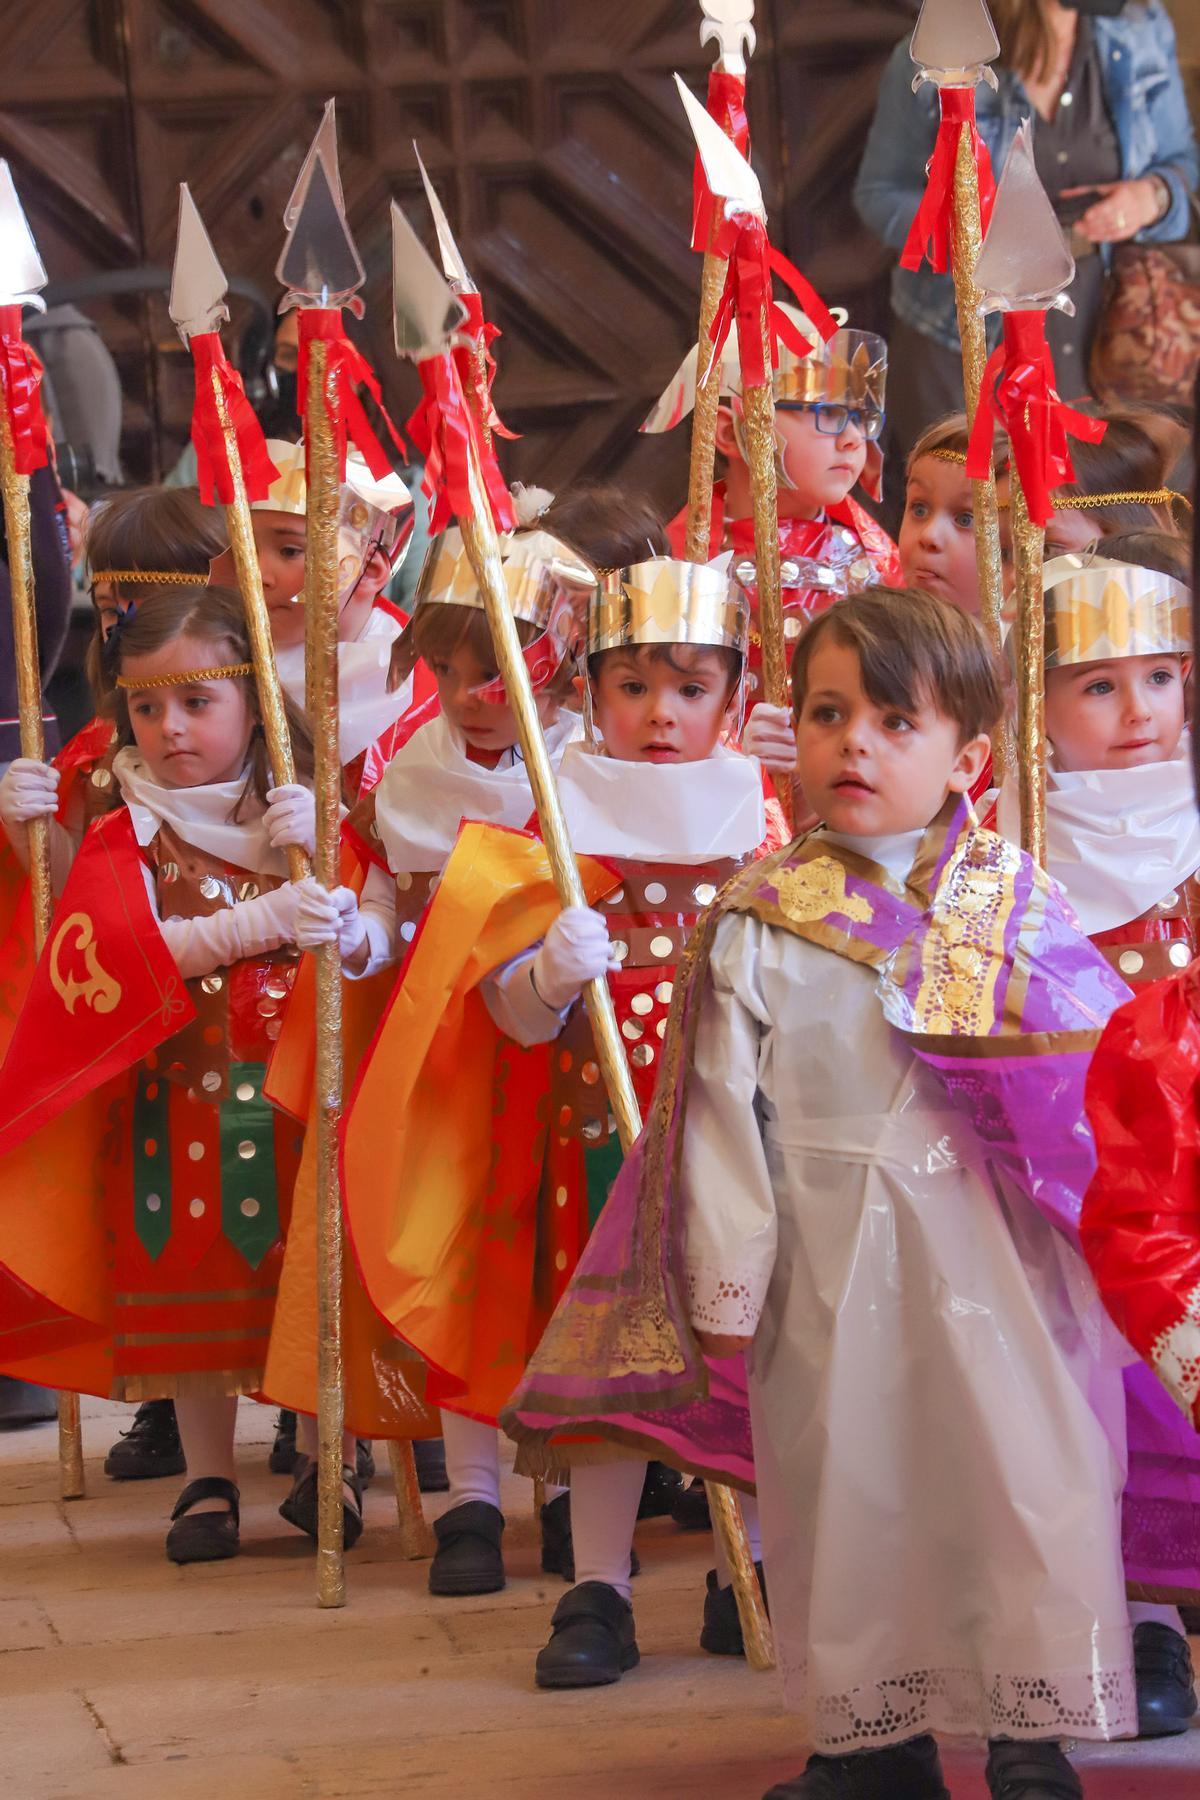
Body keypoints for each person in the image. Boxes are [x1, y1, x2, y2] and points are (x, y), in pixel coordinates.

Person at [506, 585, 1137, 1797]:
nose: (857, 745)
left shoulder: (1014, 906)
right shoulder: (758, 920)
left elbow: (1086, 1095)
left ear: (972, 755)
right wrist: (728, 1284)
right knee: (852, 1490)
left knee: (1025, 1474)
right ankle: (873, 1740)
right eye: (831, 712)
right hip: (827, 1259)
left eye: (898, 721)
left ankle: (1030, 1729)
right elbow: (718, 1122)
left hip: (998, 1256)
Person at [374, 551, 773, 1688]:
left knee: (739, 1366)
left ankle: (737, 1571)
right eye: (632, 686)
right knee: (611, 1371)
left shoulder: (768, 818)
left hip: (737, 1151)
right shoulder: (556, 817)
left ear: (733, 698)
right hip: (598, 1147)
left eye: (691, 688)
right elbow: (500, 1017)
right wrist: (545, 975)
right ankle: (598, 1587)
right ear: (590, 694)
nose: (660, 715)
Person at [0, 585, 322, 1562]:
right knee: (193, 1273)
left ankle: (322, 1457)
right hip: (175, 1092)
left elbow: (368, 922)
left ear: (253, 697)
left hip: (293, 1083)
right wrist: (31, 840)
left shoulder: (304, 801)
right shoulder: (115, 810)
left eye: (196, 702)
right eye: (147, 707)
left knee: (300, 1275)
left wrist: (337, 850)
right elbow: (102, 945)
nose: (171, 729)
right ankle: (208, 1477)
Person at [994, 535, 1200, 1739]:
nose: (1137, 712)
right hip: (1075, 1186)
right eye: (1099, 684)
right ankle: (1145, 1616)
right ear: (1039, 699)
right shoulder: (999, 849)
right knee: (1116, 1401)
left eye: (1161, 677)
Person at [854, 0, 1198, 506]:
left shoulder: (1138, 30)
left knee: (1101, 520)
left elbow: (1181, 163)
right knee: (978, 522)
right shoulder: (932, 57)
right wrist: (969, 227)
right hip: (963, 334)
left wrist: (1152, 197)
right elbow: (877, 194)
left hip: (1100, 331)